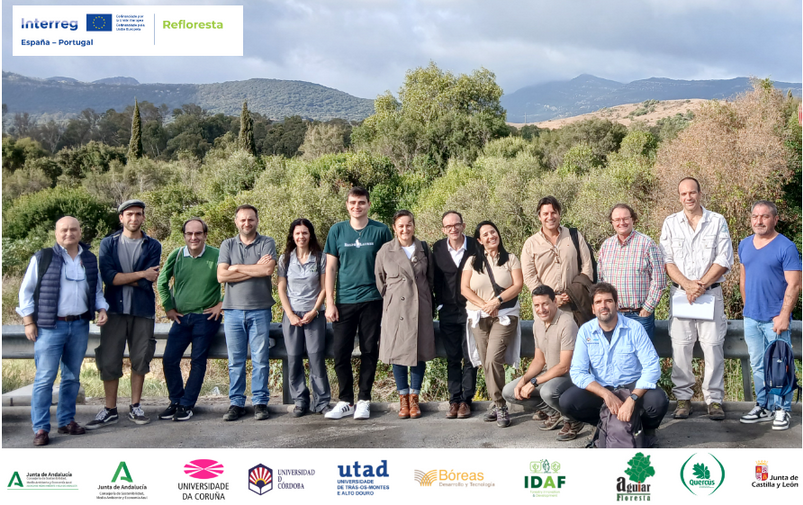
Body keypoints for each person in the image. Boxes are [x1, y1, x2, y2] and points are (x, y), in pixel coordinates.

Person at [17, 217, 109, 446]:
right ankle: (40, 428)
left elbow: (96, 290)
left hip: (79, 325)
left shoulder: (89, 259)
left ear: (80, 232)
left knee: (71, 377)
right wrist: (28, 322)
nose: (69, 233)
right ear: (56, 233)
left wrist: (102, 309)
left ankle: (67, 421)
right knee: (45, 378)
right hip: (50, 327)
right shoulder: (43, 257)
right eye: (64, 230)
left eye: (73, 229)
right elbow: (26, 291)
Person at [660, 177, 733, 421]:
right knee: (681, 347)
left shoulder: (717, 221)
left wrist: (700, 285)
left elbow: (724, 258)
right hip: (682, 294)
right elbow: (667, 260)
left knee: (713, 347)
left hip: (709, 294)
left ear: (700, 194)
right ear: (679, 197)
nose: (688, 197)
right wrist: (688, 285)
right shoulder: (671, 223)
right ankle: (683, 399)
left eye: (692, 192)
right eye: (684, 194)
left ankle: (714, 400)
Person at [560, 283, 669, 446]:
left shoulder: (635, 328)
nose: (603, 305)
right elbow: (578, 372)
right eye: (598, 302)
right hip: (603, 386)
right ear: (593, 308)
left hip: (632, 385)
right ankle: (605, 423)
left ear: (616, 305)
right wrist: (606, 394)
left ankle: (644, 429)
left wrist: (632, 399)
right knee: (568, 402)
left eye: (608, 301)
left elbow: (652, 367)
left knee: (658, 401)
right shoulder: (585, 331)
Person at [90, 200, 162, 429]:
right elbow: (109, 277)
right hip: (114, 310)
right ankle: (110, 409)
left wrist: (124, 277)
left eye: (138, 214)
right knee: (109, 359)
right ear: (121, 218)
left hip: (142, 310)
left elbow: (149, 281)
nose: (134, 218)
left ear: (143, 217)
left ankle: (135, 406)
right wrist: (140, 274)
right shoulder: (108, 244)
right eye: (129, 214)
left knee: (140, 358)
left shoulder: (153, 245)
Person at [324, 187, 393, 420]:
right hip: (344, 301)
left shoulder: (381, 231)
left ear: (368, 205)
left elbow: (389, 265)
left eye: (361, 202)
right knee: (340, 352)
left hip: (373, 299)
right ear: (347, 205)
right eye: (353, 202)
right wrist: (330, 302)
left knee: (369, 350)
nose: (357, 206)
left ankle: (364, 399)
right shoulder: (337, 231)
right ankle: (345, 401)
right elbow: (330, 268)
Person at [738, 200, 802, 430]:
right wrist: (748, 308)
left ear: (775, 219)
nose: (759, 221)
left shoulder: (786, 247)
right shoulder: (744, 244)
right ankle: (764, 406)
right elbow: (743, 279)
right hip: (751, 317)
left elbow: (795, 284)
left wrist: (784, 315)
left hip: (775, 319)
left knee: (780, 364)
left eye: (765, 216)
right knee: (757, 365)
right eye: (755, 216)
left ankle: (782, 409)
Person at [156, 217, 223, 422]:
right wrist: (168, 307)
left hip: (206, 317)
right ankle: (176, 401)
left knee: (197, 361)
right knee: (169, 360)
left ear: (205, 235)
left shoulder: (217, 255)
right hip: (181, 317)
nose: (194, 237)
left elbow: (231, 281)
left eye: (198, 233)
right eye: (189, 233)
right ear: (184, 235)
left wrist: (222, 304)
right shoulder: (177, 255)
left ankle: (187, 405)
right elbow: (162, 281)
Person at [461, 221, 523, 428]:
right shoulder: (472, 261)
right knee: (486, 361)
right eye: (485, 235)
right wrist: (485, 306)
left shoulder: (510, 259)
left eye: (493, 232)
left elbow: (518, 285)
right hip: (479, 315)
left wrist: (497, 302)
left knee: (493, 359)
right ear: (479, 240)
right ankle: (497, 403)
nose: (490, 237)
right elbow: (464, 288)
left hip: (505, 314)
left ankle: (500, 405)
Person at [217, 204, 276, 421]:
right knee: (236, 360)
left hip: (259, 309)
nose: (247, 223)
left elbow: (267, 269)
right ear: (236, 222)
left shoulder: (267, 242)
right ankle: (236, 403)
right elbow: (221, 276)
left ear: (257, 220)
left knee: (260, 359)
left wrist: (236, 267)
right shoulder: (227, 244)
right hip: (232, 310)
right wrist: (253, 268)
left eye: (251, 219)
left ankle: (260, 402)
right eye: (242, 219)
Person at [501, 285, 583, 440]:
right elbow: (539, 360)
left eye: (545, 304)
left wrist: (534, 382)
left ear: (555, 302)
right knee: (509, 392)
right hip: (549, 372)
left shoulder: (567, 323)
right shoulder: (537, 324)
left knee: (548, 391)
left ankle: (573, 420)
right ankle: (554, 412)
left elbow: (564, 366)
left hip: (569, 375)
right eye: (537, 305)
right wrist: (524, 380)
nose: (541, 309)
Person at [375, 210, 435, 419]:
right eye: (401, 225)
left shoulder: (423, 248)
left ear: (414, 226)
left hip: (420, 307)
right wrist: (393, 298)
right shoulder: (385, 250)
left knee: (419, 353)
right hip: (397, 310)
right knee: (398, 353)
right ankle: (403, 398)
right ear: (394, 228)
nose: (405, 229)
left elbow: (431, 278)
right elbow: (380, 280)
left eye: (408, 224)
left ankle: (414, 398)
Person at [277, 218, 331, 417]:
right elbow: (281, 288)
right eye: (297, 233)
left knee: (316, 358)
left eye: (305, 233)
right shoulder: (285, 259)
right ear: (292, 235)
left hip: (314, 314)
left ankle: (322, 402)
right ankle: (300, 401)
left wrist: (315, 310)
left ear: (310, 235)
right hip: (292, 315)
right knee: (293, 358)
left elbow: (324, 288)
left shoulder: (319, 258)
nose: (301, 236)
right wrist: (290, 314)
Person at [432, 210, 479, 419]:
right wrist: (439, 304)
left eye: (456, 224)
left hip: (471, 309)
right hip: (448, 311)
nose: (453, 229)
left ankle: (466, 401)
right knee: (452, 358)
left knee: (470, 357)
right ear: (444, 229)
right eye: (449, 226)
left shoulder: (475, 246)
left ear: (463, 225)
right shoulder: (438, 248)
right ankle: (454, 400)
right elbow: (435, 279)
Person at [521, 196, 595, 327]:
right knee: (547, 339)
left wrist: (573, 292)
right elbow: (529, 276)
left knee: (574, 339)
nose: (550, 217)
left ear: (559, 214)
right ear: (539, 217)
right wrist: (550, 298)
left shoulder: (574, 236)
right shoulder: (531, 244)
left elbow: (587, 265)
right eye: (545, 214)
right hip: (544, 306)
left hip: (575, 303)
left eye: (553, 212)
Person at [598, 203, 667, 339]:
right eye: (617, 220)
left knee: (641, 353)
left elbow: (659, 279)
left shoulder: (647, 244)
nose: (621, 223)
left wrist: (647, 308)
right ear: (612, 222)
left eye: (625, 218)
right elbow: (601, 280)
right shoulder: (606, 246)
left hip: (639, 316)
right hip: (613, 315)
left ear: (632, 219)